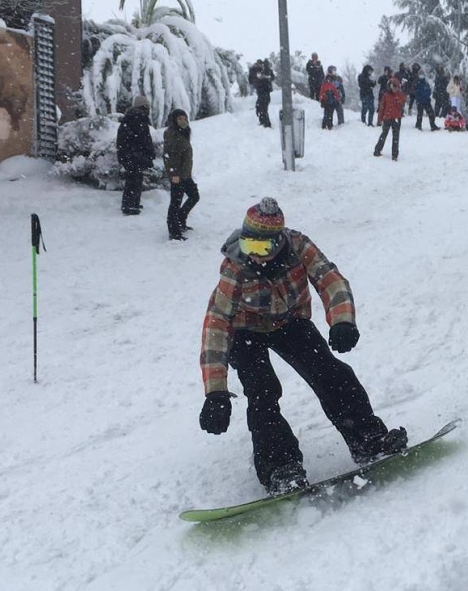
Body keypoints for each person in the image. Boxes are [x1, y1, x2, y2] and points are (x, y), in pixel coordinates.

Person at [199, 198, 408, 495]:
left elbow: (330, 279)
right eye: (249, 246)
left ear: (278, 242)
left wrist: (342, 321)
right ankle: (280, 468)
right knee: (262, 389)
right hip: (245, 331)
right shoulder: (235, 268)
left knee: (330, 373)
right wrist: (215, 392)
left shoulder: (298, 246)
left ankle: (369, 439)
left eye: (263, 249)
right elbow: (216, 325)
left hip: (288, 322)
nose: (255, 256)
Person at [163, 109, 199, 241]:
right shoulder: (172, 134)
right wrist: (174, 174)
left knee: (194, 196)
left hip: (185, 175)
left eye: (185, 119)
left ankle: (180, 221)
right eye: (180, 119)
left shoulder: (182, 133)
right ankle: (174, 231)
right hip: (178, 176)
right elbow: (169, 157)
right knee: (175, 203)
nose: (183, 121)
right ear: (174, 120)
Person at [116, 94, 155, 216]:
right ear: (143, 107)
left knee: (132, 179)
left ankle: (132, 203)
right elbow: (144, 139)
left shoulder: (129, 118)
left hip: (128, 154)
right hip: (135, 155)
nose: (148, 109)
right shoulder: (139, 119)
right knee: (135, 179)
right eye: (147, 106)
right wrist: (149, 153)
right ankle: (130, 205)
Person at [374, 77, 407, 160]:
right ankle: (377, 150)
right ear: (389, 86)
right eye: (393, 86)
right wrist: (379, 119)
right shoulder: (386, 95)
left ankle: (395, 155)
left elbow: (402, 103)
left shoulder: (400, 95)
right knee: (384, 134)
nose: (394, 88)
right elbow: (382, 108)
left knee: (396, 137)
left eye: (396, 87)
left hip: (396, 118)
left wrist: (398, 99)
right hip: (387, 118)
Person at [251, 59, 273, 128]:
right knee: (259, 107)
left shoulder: (267, 70)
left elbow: (272, 77)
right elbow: (251, 80)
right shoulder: (255, 70)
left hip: (265, 92)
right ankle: (263, 122)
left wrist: (266, 77)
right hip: (261, 92)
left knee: (263, 108)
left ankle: (266, 124)